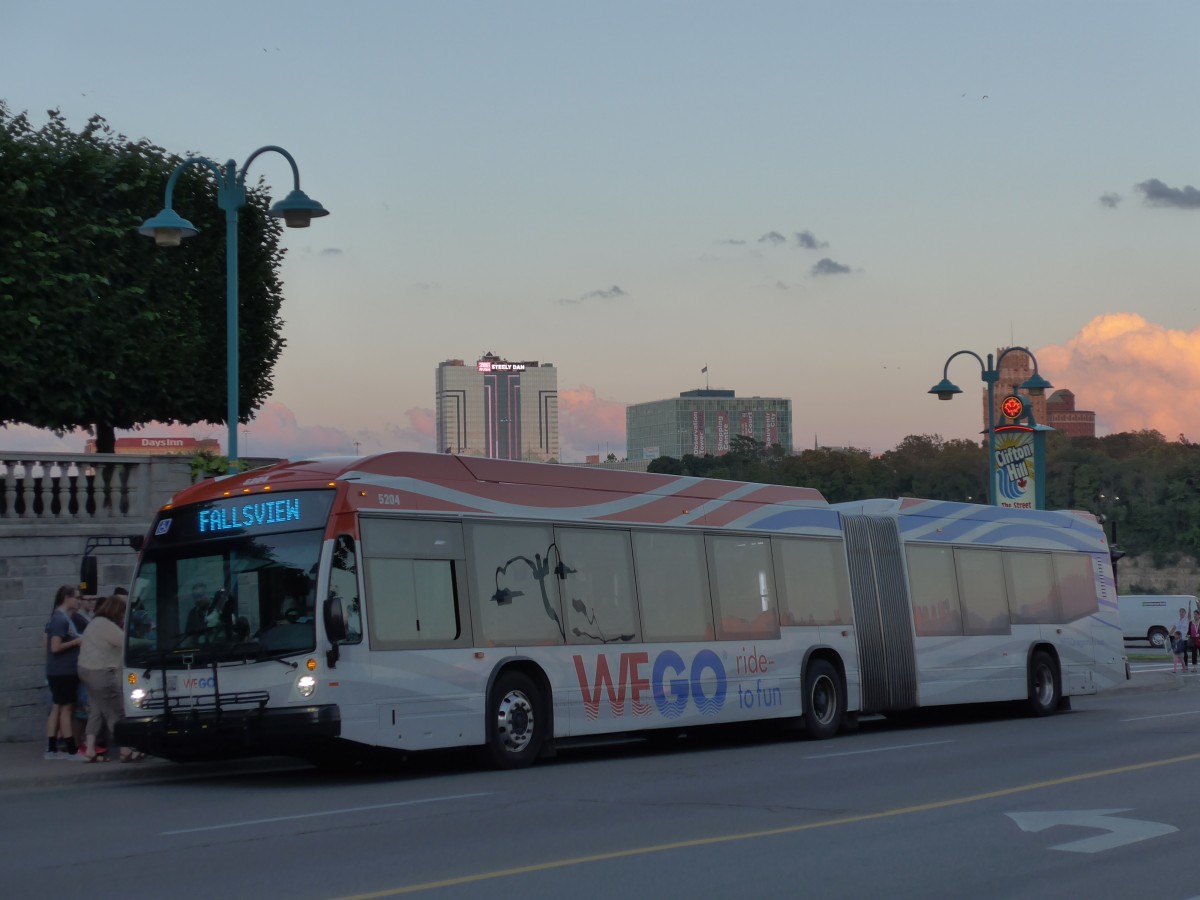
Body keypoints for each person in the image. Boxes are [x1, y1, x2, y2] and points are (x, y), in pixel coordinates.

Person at [76, 595, 142, 762]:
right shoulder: (106, 626)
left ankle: (90, 750)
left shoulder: (95, 622)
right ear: (116, 611)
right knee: (115, 711)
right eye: (122, 612)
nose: (123, 616)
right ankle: (126, 749)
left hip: (85, 670)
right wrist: (149, 643)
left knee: (97, 709)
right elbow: (127, 643)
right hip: (100, 672)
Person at [44, 585, 83, 759]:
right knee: (66, 709)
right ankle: (71, 750)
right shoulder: (60, 619)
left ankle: (52, 749)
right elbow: (55, 647)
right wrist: (76, 642)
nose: (79, 601)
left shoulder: (61, 617)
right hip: (63, 672)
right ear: (67, 598)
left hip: (59, 671)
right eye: (77, 597)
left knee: (58, 708)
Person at [1176, 607, 1191, 673]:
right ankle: (1183, 666)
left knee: (1184, 653)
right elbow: (1174, 628)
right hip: (1179, 639)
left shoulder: (1186, 620)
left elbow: (1189, 615)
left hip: (1184, 639)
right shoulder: (1177, 620)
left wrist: (1189, 607)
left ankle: (1186, 665)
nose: (1181, 613)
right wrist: (1169, 634)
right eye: (1180, 612)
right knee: (1180, 653)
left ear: (1185, 613)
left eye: (1183, 612)